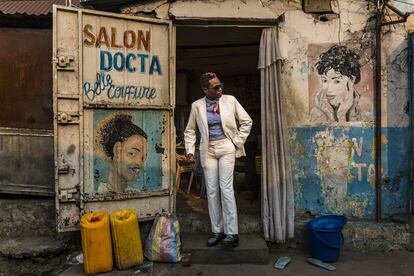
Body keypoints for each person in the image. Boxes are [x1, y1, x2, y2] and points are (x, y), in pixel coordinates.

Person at [184, 72, 252, 247]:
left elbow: (247, 121)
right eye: (215, 87)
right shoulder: (197, 106)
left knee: (226, 187)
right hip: (208, 150)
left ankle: (232, 233)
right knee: (212, 191)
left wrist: (236, 142)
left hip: (226, 146)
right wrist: (190, 151)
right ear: (205, 89)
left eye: (220, 85)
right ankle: (217, 231)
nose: (220, 88)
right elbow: (190, 130)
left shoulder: (230, 100)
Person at [310, 45, 362, 123]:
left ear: (351, 80)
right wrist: (340, 114)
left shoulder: (362, 108)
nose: (328, 89)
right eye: (325, 81)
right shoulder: (317, 112)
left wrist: (348, 110)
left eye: (337, 81)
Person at [98, 113, 148, 193]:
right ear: (117, 151)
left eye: (143, 158)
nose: (139, 163)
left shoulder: (136, 194)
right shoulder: (99, 192)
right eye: (132, 153)